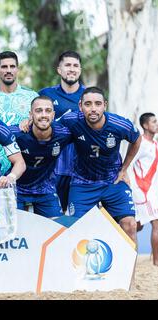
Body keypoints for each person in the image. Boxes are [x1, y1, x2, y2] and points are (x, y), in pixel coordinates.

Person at [59, 87, 141, 242]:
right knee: (76, 229)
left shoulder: (119, 124)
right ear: (80, 106)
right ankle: (82, 266)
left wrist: (124, 169)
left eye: (97, 104)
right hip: (82, 182)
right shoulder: (70, 120)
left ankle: (128, 267)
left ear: (105, 105)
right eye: (88, 104)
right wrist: (28, 121)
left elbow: (137, 139)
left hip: (113, 181)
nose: (93, 109)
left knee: (130, 225)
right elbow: (48, 128)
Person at [9, 96, 72, 218]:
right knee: (15, 228)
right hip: (18, 189)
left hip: (45, 188)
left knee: (57, 229)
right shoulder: (17, 133)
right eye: (38, 111)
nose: (44, 115)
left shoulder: (64, 134)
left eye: (48, 111)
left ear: (53, 115)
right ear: (30, 115)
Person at [38, 51, 86, 212]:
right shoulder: (46, 94)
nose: (71, 69)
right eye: (67, 65)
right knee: (53, 219)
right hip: (53, 166)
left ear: (80, 69)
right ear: (59, 69)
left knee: (77, 219)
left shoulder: (89, 97)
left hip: (80, 168)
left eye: (75, 65)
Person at [0, 51, 38, 175]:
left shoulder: (32, 96)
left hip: (24, 168)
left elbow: (43, 127)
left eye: (12, 66)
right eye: (4, 67)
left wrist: (32, 122)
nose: (8, 70)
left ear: (17, 70)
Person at [128, 112, 158, 265]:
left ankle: (122, 238)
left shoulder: (154, 143)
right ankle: (156, 263)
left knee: (137, 227)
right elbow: (129, 162)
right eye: (154, 121)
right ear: (145, 125)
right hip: (143, 191)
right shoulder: (141, 143)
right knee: (156, 223)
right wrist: (133, 187)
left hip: (152, 190)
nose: (157, 124)